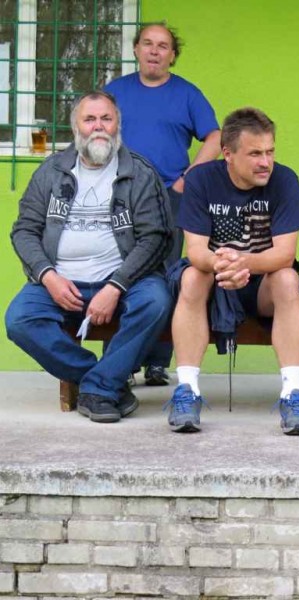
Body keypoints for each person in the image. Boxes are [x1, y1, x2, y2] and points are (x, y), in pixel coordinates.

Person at [5, 91, 173, 423]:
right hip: (61, 280)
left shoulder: (140, 172)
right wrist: (47, 276)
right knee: (19, 320)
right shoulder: (51, 171)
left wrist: (116, 285)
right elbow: (24, 230)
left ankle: (99, 387)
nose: (98, 126)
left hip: (125, 280)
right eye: (90, 119)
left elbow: (157, 237)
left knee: (156, 302)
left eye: (106, 119)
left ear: (117, 125)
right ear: (76, 127)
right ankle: (105, 382)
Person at [163, 107, 299, 435]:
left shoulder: (285, 180)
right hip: (213, 277)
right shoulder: (201, 179)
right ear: (228, 154)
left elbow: (285, 254)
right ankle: (187, 391)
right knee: (192, 275)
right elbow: (196, 251)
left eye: (270, 152)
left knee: (288, 279)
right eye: (255, 154)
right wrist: (223, 266)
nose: (266, 162)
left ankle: (293, 394)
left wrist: (241, 263)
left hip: (262, 285)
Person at [105, 22, 221, 386]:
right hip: (120, 195)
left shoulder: (187, 94)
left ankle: (158, 361)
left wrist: (189, 179)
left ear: (172, 55)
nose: (154, 51)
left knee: (167, 275)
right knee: (120, 272)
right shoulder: (114, 92)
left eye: (163, 46)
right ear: (136, 49)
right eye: (148, 43)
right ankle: (119, 364)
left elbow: (215, 137)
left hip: (170, 196)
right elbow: (95, 132)